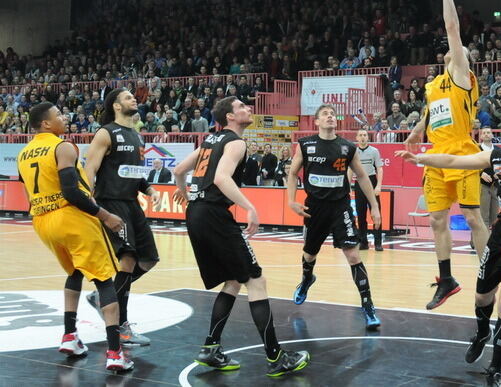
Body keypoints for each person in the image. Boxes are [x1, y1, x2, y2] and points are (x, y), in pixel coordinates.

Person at [173, 97, 310, 377]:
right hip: (213, 214)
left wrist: (187, 195)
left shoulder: (209, 141)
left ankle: (211, 348)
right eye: (242, 107)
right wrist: (250, 208)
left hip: (196, 214)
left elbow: (178, 171)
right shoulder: (235, 142)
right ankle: (276, 357)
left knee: (234, 280)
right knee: (256, 280)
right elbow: (222, 178)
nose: (248, 109)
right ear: (230, 117)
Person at [17, 102, 133, 372]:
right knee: (104, 279)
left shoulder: (23, 153)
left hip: (42, 221)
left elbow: (28, 195)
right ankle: (115, 353)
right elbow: (71, 191)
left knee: (75, 271)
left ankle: (70, 336)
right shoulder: (63, 147)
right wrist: (105, 215)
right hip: (70, 217)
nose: (64, 117)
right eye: (58, 114)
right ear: (46, 124)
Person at [404, 0, 489, 310]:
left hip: (462, 153)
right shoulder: (432, 85)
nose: (457, 51)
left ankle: (489, 270)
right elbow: (431, 111)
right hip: (437, 154)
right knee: (437, 219)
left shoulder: (462, 77)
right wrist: (417, 129)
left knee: (472, 217)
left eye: (462, 51)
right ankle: (447, 279)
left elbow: (452, 28)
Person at [287, 104, 382, 329]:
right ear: (316, 122)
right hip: (315, 208)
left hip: (340, 207)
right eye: (325, 114)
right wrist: (291, 201)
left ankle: (368, 305)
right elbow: (292, 173)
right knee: (310, 254)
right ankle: (307, 279)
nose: (330, 116)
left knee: (353, 255)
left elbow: (363, 177)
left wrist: (374, 206)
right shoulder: (305, 145)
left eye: (332, 114)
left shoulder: (347, 147)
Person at [82, 88, 161, 346]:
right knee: (127, 259)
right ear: (116, 106)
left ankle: (103, 297)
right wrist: (89, 199)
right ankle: (120, 326)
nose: (133, 99)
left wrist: (150, 190)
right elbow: (90, 168)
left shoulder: (137, 136)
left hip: (132, 203)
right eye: (128, 97)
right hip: (111, 202)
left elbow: (135, 172)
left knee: (149, 259)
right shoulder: (106, 133)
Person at [351, 128, 384, 251]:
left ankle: (378, 242)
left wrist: (378, 185)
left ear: (368, 137)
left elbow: (379, 168)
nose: (363, 137)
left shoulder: (374, 151)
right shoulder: (354, 152)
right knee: (360, 214)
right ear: (357, 138)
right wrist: (348, 185)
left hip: (371, 180)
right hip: (359, 182)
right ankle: (363, 242)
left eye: (365, 135)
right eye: (360, 135)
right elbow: (349, 169)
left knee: (376, 213)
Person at [478, 126, 499, 234]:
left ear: (492, 135)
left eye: (488, 132)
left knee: (495, 217)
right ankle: (480, 241)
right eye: (484, 133)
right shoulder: (477, 149)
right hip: (482, 186)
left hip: (495, 186)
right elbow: (469, 167)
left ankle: (492, 240)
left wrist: (499, 173)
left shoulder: (498, 150)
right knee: (483, 216)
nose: (486, 134)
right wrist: (480, 173)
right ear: (481, 136)